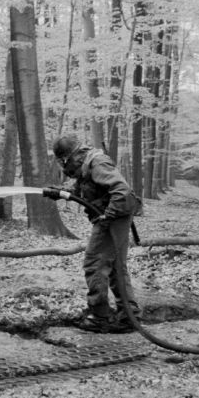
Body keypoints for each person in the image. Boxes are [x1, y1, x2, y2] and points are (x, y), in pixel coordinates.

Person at [46, 135, 143, 333]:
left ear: (69, 158)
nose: (65, 168)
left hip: (114, 217)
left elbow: (122, 192)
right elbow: (83, 188)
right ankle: (128, 316)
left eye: (63, 162)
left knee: (94, 262)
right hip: (115, 217)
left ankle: (99, 316)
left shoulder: (96, 162)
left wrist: (108, 216)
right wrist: (59, 191)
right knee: (116, 266)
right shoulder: (87, 165)